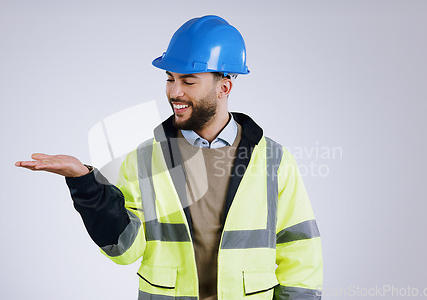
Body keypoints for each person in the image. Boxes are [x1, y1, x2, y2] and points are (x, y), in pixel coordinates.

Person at [16, 15, 323, 300]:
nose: (174, 92)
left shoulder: (272, 159)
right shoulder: (146, 158)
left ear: (224, 87)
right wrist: (85, 184)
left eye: (188, 81)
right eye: (170, 78)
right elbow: (123, 248)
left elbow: (300, 251)